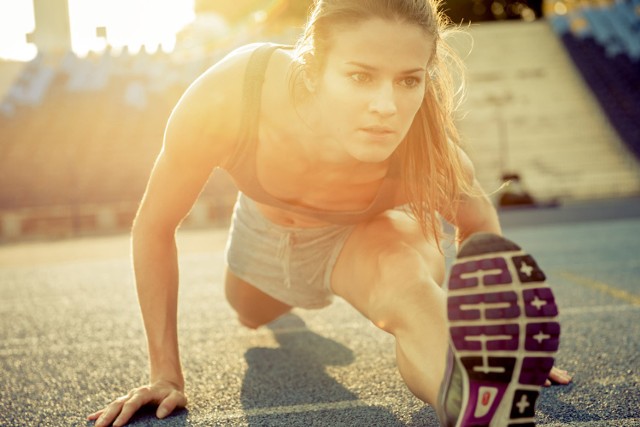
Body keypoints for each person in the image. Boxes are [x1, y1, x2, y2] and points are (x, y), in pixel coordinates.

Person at [88, 0, 572, 425]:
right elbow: (154, 225)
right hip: (264, 231)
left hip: (359, 240)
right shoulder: (233, 96)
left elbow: (478, 226)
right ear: (313, 67)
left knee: (407, 278)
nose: (386, 105)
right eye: (360, 76)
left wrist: (494, 339)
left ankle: (475, 398)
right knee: (251, 313)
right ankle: (276, 307)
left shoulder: (429, 155)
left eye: (408, 80)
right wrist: (164, 374)